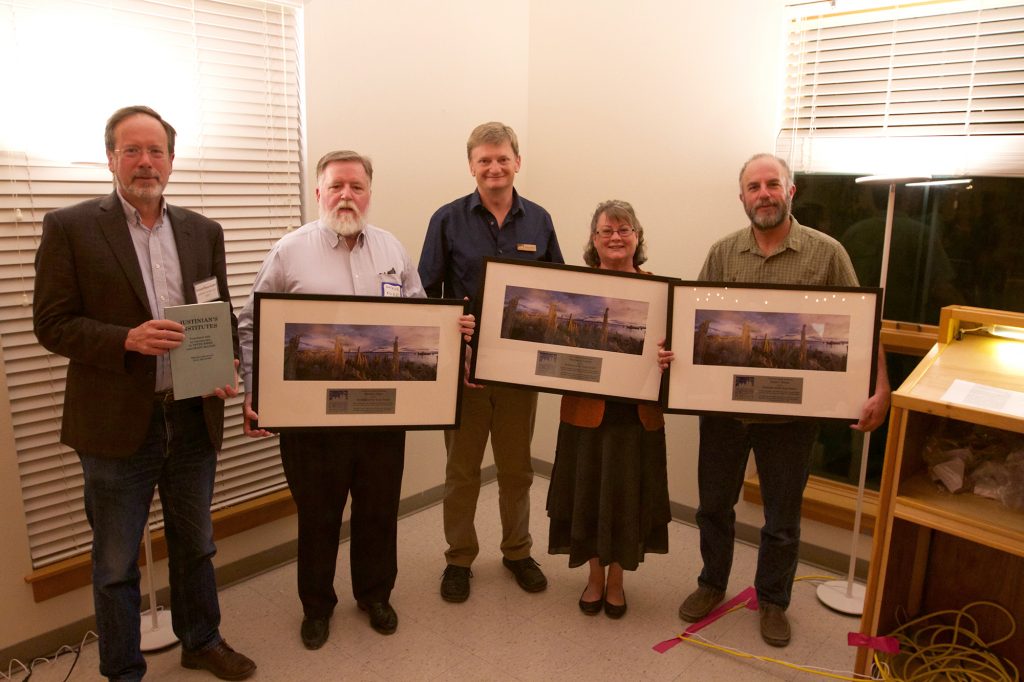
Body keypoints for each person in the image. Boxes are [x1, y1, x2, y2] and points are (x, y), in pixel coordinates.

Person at [33, 106, 255, 681]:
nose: (145, 162)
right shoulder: (71, 227)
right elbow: (51, 324)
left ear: (172, 160)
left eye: (156, 150)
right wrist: (126, 339)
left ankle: (201, 640)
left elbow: (218, 311)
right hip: (113, 425)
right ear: (111, 159)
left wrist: (226, 361)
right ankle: (123, 670)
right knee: (114, 564)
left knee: (196, 545)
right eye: (132, 150)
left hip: (190, 418)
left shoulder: (203, 231)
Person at [237, 150, 475, 649]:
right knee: (318, 515)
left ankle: (374, 594)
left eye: (357, 186)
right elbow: (251, 324)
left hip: (383, 414)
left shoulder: (391, 248)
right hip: (311, 422)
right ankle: (316, 606)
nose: (347, 195)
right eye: (337, 185)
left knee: (378, 509)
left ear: (370, 192)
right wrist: (258, 393)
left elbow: (420, 316)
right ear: (319, 192)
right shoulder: (290, 250)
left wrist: (452, 331)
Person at [677, 153, 891, 647]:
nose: (764, 194)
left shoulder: (827, 252)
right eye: (754, 187)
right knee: (713, 507)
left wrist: (881, 387)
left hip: (791, 418)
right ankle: (712, 583)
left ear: (790, 191)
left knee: (782, 518)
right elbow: (697, 319)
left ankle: (772, 599)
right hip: (725, 412)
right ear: (742, 198)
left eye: (773, 184)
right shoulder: (723, 253)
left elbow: (864, 325)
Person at [418, 122, 563, 602]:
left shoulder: (540, 221)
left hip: (521, 372)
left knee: (518, 469)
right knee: (462, 472)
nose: (494, 168)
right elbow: (426, 294)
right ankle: (459, 558)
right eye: (484, 160)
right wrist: (450, 339)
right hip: (466, 374)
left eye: (503, 159)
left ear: (517, 162)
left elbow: (559, 296)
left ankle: (517, 551)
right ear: (472, 167)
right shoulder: (446, 220)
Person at [546, 200, 674, 619]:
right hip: (587, 412)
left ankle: (617, 580)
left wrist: (670, 358)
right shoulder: (575, 289)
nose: (615, 238)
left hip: (637, 416)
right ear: (593, 241)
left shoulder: (662, 292)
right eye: (606, 231)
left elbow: (678, 354)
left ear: (637, 237)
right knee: (589, 496)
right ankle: (594, 577)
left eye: (624, 230)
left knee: (627, 499)